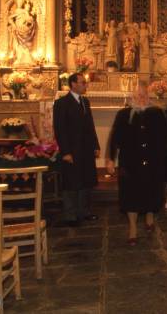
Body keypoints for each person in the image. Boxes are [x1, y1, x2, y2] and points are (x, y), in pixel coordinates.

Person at [106, 83, 167, 244]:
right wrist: (110, 158)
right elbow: (115, 138)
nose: (141, 99)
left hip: (153, 161)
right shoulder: (123, 114)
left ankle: (149, 216)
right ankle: (132, 227)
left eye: (144, 95)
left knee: (152, 191)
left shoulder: (157, 113)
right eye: (138, 96)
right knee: (130, 194)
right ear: (132, 98)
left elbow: (165, 138)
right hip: (130, 162)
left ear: (148, 97)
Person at [53, 73, 100, 226]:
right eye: (83, 82)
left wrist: (95, 145)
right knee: (72, 182)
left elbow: (90, 125)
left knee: (85, 180)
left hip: (86, 149)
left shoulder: (85, 101)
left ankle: (84, 212)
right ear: (73, 84)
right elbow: (60, 129)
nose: (85, 85)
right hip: (72, 149)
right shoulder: (62, 103)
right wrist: (65, 152)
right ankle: (70, 215)